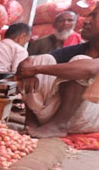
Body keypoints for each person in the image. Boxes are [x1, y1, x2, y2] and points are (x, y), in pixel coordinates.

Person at [16, 7, 99, 138]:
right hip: (57, 115)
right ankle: (31, 121)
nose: (85, 21)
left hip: (91, 119)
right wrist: (29, 71)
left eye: (93, 16)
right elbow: (27, 63)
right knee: (41, 59)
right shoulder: (80, 48)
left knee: (81, 63)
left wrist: (35, 70)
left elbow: (90, 68)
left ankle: (58, 126)